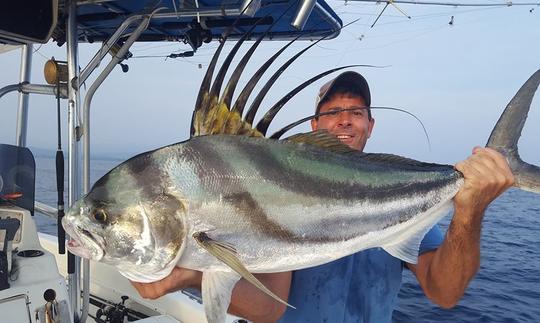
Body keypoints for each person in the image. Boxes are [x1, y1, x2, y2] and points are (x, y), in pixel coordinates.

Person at [131, 71, 515, 323]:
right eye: (333, 112)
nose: (345, 119)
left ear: (370, 124)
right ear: (314, 126)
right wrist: (192, 274)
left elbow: (444, 292)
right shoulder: (276, 188)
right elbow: (269, 307)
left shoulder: (397, 189)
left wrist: (470, 210)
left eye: (357, 111)